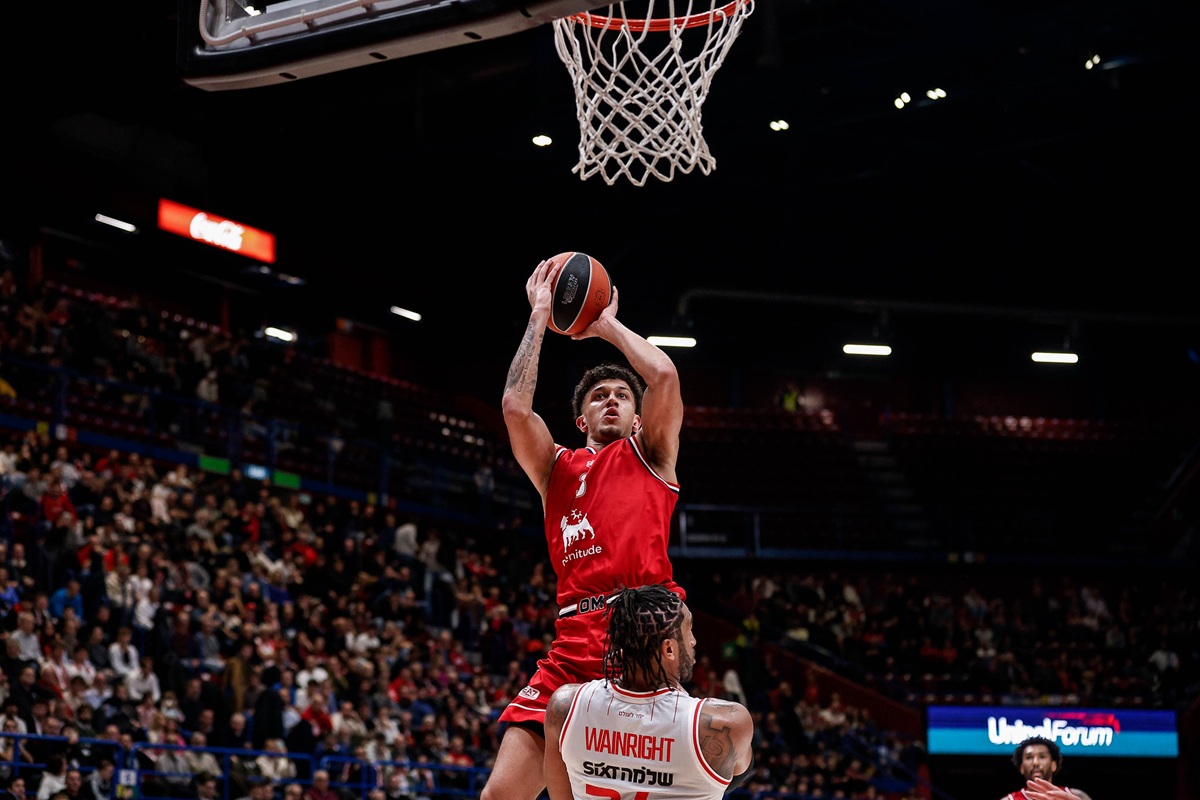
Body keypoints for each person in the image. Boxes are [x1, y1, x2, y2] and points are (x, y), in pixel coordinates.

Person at [482, 257, 687, 800]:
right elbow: (514, 406)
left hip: (642, 631)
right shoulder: (556, 468)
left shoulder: (652, 453)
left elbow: (665, 376)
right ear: (582, 420)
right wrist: (540, 314)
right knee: (500, 794)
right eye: (599, 396)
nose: (611, 399)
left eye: (622, 395)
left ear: (638, 418)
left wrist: (605, 325)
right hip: (573, 638)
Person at [543, 585, 754, 800]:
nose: (693, 641)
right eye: (688, 630)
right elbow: (735, 775)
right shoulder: (727, 723)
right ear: (669, 649)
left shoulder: (565, 706)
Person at [1000, 736, 1094, 800]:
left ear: (1054, 765)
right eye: (1029, 757)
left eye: (1042, 757)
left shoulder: (1076, 796)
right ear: (1021, 768)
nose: (1035, 763)